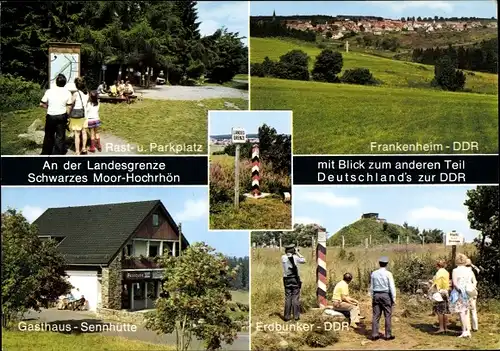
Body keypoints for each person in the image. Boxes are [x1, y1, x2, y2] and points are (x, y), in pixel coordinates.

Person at [40, 74, 73, 155]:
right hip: (62, 116)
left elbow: (41, 104)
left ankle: (46, 152)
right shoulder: (68, 93)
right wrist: (67, 117)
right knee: (60, 136)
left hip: (51, 116)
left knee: (48, 135)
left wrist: (48, 107)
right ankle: (58, 154)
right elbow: (69, 107)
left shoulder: (49, 91)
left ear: (56, 82)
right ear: (65, 82)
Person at [370, 256, 396, 341]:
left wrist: (372, 296)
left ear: (379, 263)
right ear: (386, 264)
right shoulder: (389, 274)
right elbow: (392, 287)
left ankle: (374, 334)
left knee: (375, 316)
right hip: (386, 295)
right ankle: (388, 335)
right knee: (387, 315)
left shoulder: (374, 273)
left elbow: (371, 287)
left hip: (376, 295)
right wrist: (394, 298)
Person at [449, 253, 474, 338]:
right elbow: (470, 281)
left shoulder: (455, 270)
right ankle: (467, 331)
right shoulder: (469, 270)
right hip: (467, 292)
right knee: (466, 312)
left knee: (461, 312)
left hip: (459, 293)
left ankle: (464, 331)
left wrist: (459, 291)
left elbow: (455, 283)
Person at [281, 244, 306, 321]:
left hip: (286, 279)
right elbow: (304, 260)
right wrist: (297, 253)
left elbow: (287, 257)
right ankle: (296, 316)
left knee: (288, 297)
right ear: (293, 250)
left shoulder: (283, 257)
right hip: (295, 279)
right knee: (295, 297)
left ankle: (287, 317)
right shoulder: (296, 257)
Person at [68, 77, 89, 155]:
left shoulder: (76, 94)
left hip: (77, 116)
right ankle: (83, 148)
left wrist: (68, 113)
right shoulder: (87, 93)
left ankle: (77, 151)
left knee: (77, 134)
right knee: (84, 132)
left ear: (76, 85)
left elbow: (70, 104)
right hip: (85, 115)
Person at [431, 259, 450, 333]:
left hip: (440, 293)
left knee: (439, 312)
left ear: (437, 266)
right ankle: (445, 327)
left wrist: (431, 285)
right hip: (446, 291)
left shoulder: (438, 273)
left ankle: (441, 328)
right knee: (445, 311)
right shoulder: (446, 272)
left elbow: (436, 283)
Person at [465, 258, 479, 332]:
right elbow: (475, 281)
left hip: (466, 292)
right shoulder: (473, 270)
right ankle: (475, 327)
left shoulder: (463, 272)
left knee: (466, 310)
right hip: (473, 291)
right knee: (473, 310)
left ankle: (468, 327)